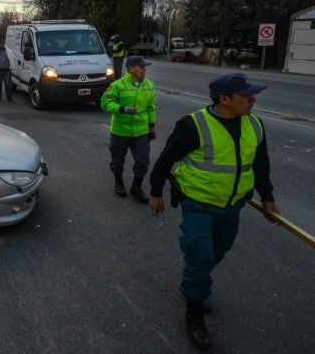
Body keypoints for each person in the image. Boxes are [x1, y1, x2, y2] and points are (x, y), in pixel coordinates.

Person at [148, 73, 280, 351]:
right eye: (246, 96)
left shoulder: (254, 125)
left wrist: (267, 197)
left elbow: (261, 165)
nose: (252, 99)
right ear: (225, 99)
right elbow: (165, 160)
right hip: (197, 202)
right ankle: (194, 309)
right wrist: (156, 193)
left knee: (217, 252)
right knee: (200, 254)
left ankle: (194, 280)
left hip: (232, 204)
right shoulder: (193, 125)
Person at [100, 55, 156, 203]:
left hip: (141, 131)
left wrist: (152, 126)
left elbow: (151, 108)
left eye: (144, 66)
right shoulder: (118, 85)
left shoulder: (149, 85)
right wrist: (123, 109)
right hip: (120, 131)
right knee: (117, 161)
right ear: (131, 68)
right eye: (141, 66)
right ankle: (119, 183)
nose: (144, 69)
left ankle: (136, 187)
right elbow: (105, 103)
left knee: (143, 161)